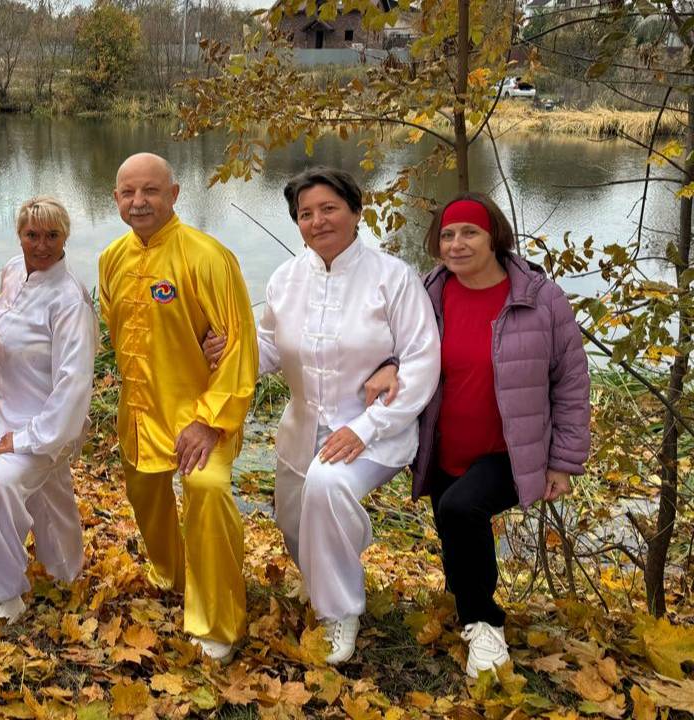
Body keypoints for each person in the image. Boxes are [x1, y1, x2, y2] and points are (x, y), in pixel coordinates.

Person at [206, 166, 439, 664]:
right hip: (302, 428)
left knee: (327, 486)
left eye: (329, 209)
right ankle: (327, 573)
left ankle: (340, 612)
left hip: (375, 428)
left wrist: (366, 427)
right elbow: (269, 349)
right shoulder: (287, 279)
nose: (318, 222)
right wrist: (230, 351)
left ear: (356, 211)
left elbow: (422, 361)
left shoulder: (393, 278)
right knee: (293, 521)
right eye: (306, 214)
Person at [411, 192, 589, 678]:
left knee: (460, 509)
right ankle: (466, 608)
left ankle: (485, 624)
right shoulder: (427, 293)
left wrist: (563, 461)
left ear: (494, 237)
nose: (456, 244)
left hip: (512, 451)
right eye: (447, 235)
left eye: (470, 233)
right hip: (444, 445)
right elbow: (394, 348)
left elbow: (571, 380)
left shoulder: (539, 298)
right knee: (452, 525)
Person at [98, 153, 259, 662]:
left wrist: (209, 421)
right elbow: (118, 333)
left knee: (206, 490)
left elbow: (239, 346)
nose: (139, 202)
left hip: (202, 414)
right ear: (116, 198)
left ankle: (217, 622)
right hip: (140, 411)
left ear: (174, 194)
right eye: (128, 192)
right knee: (145, 497)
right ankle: (175, 575)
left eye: (150, 190)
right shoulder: (111, 259)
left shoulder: (208, 257)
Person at [0, 196, 98, 629]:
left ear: (65, 237)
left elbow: (74, 383)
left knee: (0, 483)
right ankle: (65, 571)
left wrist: (29, 438)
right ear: (19, 235)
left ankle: (4, 594)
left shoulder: (70, 301)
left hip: (47, 424)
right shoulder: (13, 271)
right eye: (32, 235)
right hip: (6, 413)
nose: (41, 245)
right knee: (51, 492)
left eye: (52, 235)